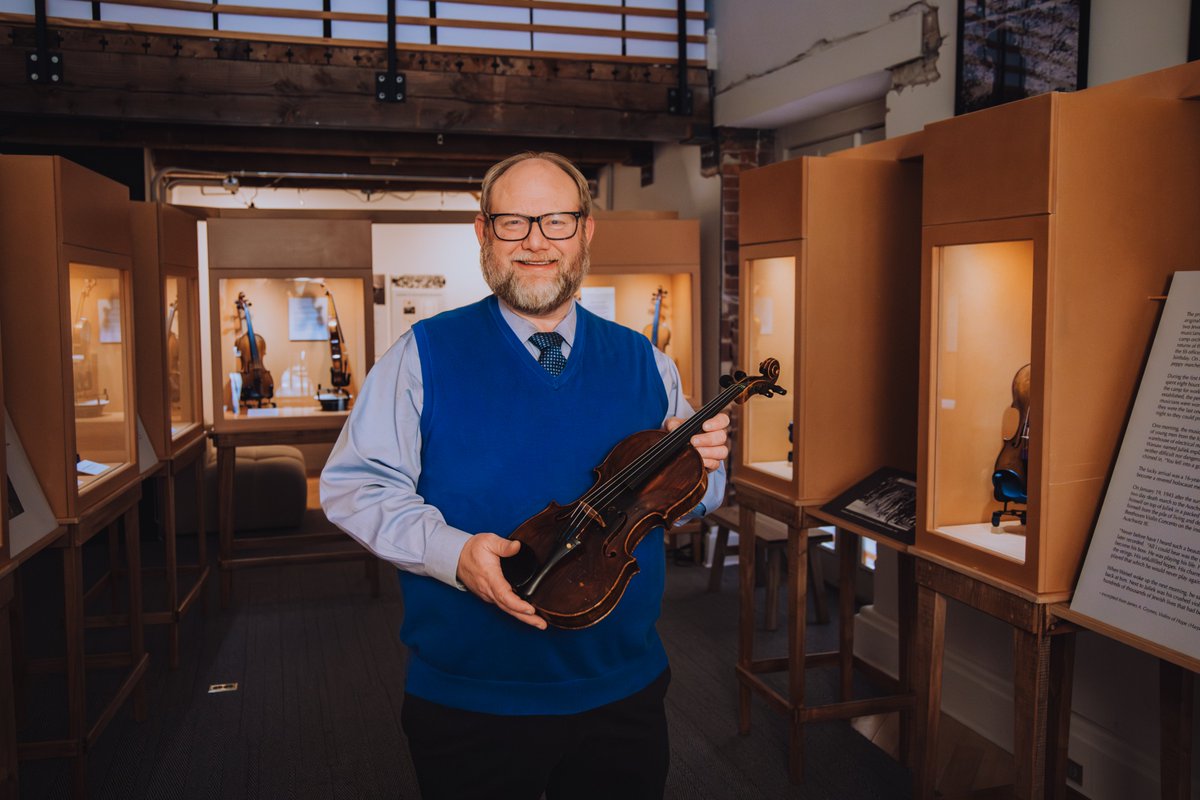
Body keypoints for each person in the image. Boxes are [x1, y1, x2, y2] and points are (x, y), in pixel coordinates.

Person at [320, 151, 729, 800]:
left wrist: (706, 466)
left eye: (558, 221)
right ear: (483, 234)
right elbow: (354, 486)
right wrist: (454, 556)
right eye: (513, 222)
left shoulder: (647, 361)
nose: (537, 241)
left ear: (586, 232)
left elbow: (693, 499)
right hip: (471, 702)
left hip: (622, 692)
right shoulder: (421, 356)